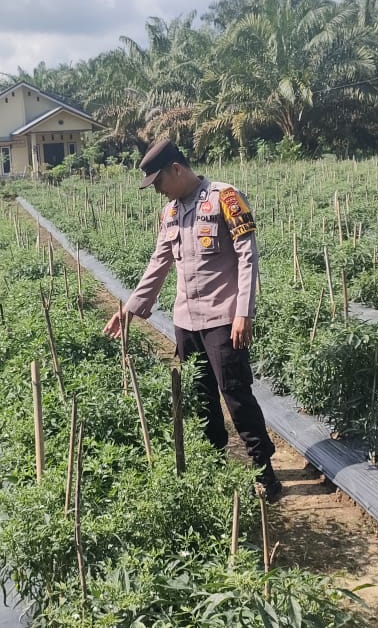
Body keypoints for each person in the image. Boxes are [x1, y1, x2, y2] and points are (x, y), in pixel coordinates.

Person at [102, 139, 283, 501]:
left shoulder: (225, 198)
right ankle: (215, 468)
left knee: (235, 396)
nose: (157, 190)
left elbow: (248, 257)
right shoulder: (170, 213)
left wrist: (243, 312)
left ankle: (265, 473)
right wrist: (129, 310)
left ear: (177, 169)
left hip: (223, 318)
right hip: (186, 322)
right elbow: (159, 263)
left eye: (158, 182)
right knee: (202, 398)